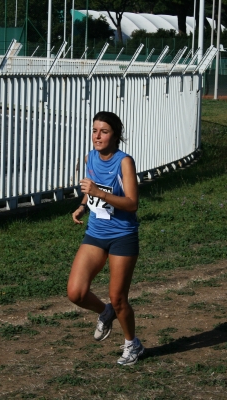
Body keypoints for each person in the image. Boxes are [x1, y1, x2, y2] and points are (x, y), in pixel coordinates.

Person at [67, 111, 144, 366]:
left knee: (119, 298)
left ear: (115, 135)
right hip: (95, 233)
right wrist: (82, 205)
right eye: (94, 130)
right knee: (76, 293)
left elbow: (132, 203)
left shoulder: (125, 162)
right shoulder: (90, 157)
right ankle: (104, 311)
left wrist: (99, 192)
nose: (97, 136)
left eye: (104, 131)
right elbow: (90, 192)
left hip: (122, 236)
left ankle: (132, 344)